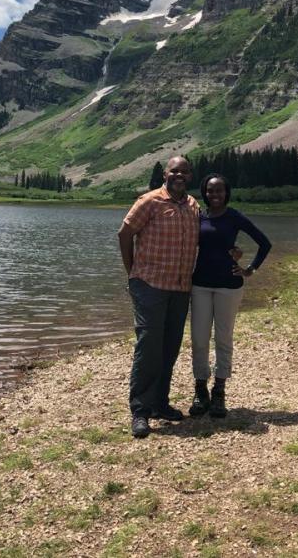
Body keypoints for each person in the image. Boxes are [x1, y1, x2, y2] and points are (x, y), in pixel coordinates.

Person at [118, 156, 200, 439]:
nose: (179, 175)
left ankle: (160, 404)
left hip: (180, 288)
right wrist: (132, 273)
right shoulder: (149, 201)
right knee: (149, 345)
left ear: (190, 176)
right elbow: (124, 234)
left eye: (184, 171)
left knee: (170, 347)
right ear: (166, 173)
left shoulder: (193, 206)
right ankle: (140, 411)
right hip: (149, 285)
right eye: (174, 170)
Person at [189, 174, 271, 418]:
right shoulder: (198, 216)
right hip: (200, 285)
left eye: (219, 191)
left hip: (229, 286)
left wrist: (249, 269)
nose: (215, 195)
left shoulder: (234, 216)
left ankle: (219, 392)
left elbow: (264, 243)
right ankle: (200, 389)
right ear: (205, 193)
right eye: (210, 191)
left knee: (223, 339)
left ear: (227, 192)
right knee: (199, 340)